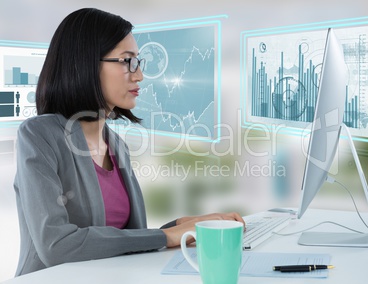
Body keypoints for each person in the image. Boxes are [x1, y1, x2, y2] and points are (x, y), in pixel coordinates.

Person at [13, 7, 244, 276]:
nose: (139, 75)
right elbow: (57, 245)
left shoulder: (116, 145)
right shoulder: (39, 135)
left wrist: (187, 225)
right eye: (126, 61)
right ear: (85, 63)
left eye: (138, 62)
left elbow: (126, 240)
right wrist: (167, 236)